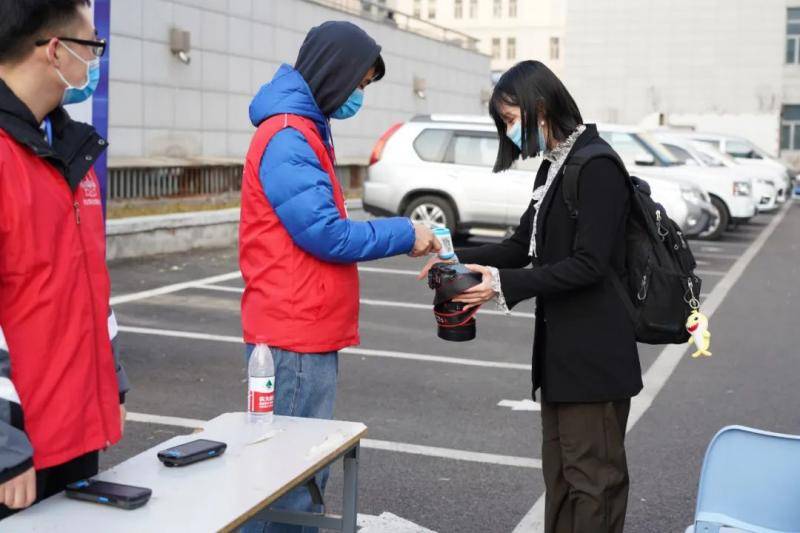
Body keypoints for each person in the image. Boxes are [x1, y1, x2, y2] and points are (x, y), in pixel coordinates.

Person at [421, 61, 642, 532]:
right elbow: (522, 246)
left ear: (540, 107)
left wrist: (502, 285)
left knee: (594, 482)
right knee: (562, 477)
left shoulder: (597, 164)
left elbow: (590, 264)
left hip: (595, 359)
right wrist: (452, 256)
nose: (509, 131)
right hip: (561, 356)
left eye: (510, 119)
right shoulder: (555, 165)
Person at [239, 21, 439, 532]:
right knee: (286, 484)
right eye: (359, 83)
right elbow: (326, 234)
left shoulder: (304, 128)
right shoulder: (288, 137)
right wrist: (404, 234)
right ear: (334, 71)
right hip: (292, 336)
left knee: (295, 476)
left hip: (302, 328)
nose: (359, 95)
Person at [0, 0, 129, 518]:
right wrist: (6, 450)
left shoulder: (70, 151)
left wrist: (111, 378)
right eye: (92, 47)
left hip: (71, 433)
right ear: (56, 50)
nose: (95, 61)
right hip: (17, 454)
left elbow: (88, 281)